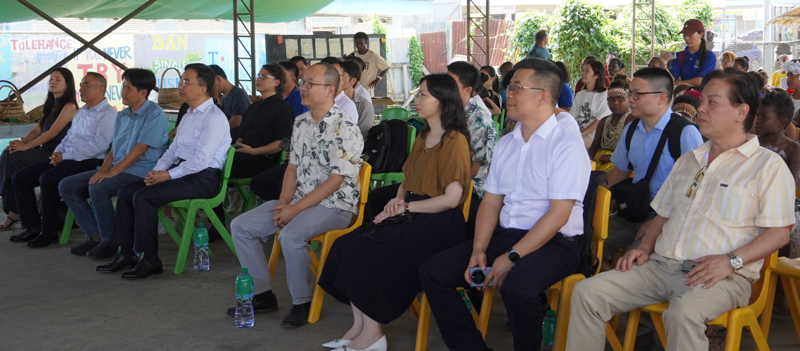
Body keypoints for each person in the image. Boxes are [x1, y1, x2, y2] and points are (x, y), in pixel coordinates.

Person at [567, 68, 796, 351]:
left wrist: (730, 261)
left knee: (684, 313)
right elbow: (664, 211)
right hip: (660, 266)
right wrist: (645, 246)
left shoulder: (766, 166)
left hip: (720, 275)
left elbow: (780, 233)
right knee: (587, 292)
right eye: (703, 102)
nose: (701, 108)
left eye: (712, 102)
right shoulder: (691, 159)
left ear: (741, 112)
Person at [419, 58, 591, 351]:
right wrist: (479, 249)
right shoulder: (507, 143)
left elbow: (559, 214)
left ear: (543, 96)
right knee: (433, 271)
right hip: (508, 235)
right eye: (509, 87)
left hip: (556, 242)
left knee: (518, 287)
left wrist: (511, 256)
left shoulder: (565, 143)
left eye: (516, 88)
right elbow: (491, 202)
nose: (507, 94)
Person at [318, 73, 472, 351]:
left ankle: (373, 333)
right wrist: (396, 202)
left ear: (444, 100)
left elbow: (451, 199)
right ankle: (360, 326)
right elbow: (408, 181)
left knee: (371, 251)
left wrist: (406, 206)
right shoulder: (423, 136)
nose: (418, 99)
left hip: (439, 224)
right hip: (414, 213)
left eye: (425, 94)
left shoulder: (454, 140)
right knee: (348, 244)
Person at [225, 62, 363, 328]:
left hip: (335, 206)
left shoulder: (346, 128)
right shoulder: (300, 122)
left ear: (330, 90)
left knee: (291, 235)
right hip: (300, 200)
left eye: (311, 84)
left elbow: (336, 182)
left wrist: (294, 209)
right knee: (241, 225)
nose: (303, 88)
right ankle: (263, 294)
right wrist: (284, 203)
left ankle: (302, 301)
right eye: (302, 82)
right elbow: (292, 167)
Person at [97, 65, 232, 279]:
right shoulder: (188, 113)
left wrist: (167, 175)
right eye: (181, 81)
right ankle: (126, 253)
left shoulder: (214, 117)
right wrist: (156, 171)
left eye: (186, 82)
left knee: (144, 197)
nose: (180, 86)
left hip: (202, 179)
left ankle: (150, 258)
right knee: (126, 192)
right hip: (182, 172)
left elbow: (202, 160)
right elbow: (172, 150)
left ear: (202, 89)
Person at [60, 69, 169, 258]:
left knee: (99, 188)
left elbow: (140, 149)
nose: (123, 92)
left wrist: (111, 173)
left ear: (143, 93)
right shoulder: (123, 115)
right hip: (119, 169)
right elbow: (113, 149)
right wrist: (102, 170)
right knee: (67, 185)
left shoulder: (155, 114)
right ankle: (97, 236)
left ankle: (110, 241)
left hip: (141, 172)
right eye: (123, 87)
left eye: (128, 88)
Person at [601, 67, 704, 268]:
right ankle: (602, 272)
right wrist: (591, 199)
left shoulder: (685, 133)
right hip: (633, 210)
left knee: (632, 261)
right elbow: (619, 172)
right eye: (630, 93)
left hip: (671, 216)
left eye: (637, 94)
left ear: (661, 98)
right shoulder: (631, 130)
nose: (630, 99)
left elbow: (696, 190)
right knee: (584, 238)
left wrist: (661, 221)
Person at [8, 72, 115, 247]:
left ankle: (48, 232)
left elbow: (99, 147)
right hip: (66, 158)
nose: (81, 89)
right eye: (80, 85)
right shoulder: (82, 112)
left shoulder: (107, 114)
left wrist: (64, 157)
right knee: (19, 179)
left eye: (86, 85)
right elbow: (68, 137)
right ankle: (33, 227)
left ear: (100, 88)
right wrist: (57, 153)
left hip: (88, 161)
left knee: (47, 180)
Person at [1, 68, 75, 233]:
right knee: (9, 153)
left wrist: (26, 146)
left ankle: (15, 212)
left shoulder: (69, 106)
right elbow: (37, 130)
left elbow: (52, 132)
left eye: (57, 79)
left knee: (13, 159)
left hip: (56, 154)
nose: (52, 82)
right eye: (51, 79)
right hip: (44, 150)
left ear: (67, 85)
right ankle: (15, 210)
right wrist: (19, 143)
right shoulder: (51, 105)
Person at [447, 61, 497, 239]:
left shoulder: (478, 118)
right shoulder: (453, 111)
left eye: (451, 84)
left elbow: (475, 170)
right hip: (450, 181)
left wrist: (439, 183)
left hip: (472, 190)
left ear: (468, 90)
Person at [587, 74, 636, 173]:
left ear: (629, 99)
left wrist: (612, 158)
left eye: (620, 98)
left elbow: (634, 151)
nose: (616, 103)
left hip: (619, 163)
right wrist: (589, 159)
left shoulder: (632, 120)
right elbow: (594, 146)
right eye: (611, 99)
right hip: (599, 160)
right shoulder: (604, 121)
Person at [662, 19, 717, 85]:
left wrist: (679, 83)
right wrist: (664, 64)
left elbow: (701, 80)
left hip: (702, 94)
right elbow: (672, 79)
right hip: (684, 94)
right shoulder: (679, 55)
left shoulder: (709, 56)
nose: (686, 38)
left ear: (700, 35)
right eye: (684, 35)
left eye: (690, 35)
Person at [573, 60, 612, 148]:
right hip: (578, 132)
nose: (583, 73)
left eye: (587, 70)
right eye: (583, 70)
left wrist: (582, 133)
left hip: (594, 134)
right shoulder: (579, 94)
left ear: (596, 75)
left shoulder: (604, 95)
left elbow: (600, 120)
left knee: (574, 144)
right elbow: (572, 117)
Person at [208, 64, 250, 130]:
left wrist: (215, 131)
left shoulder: (238, 94)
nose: (209, 88)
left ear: (218, 79)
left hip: (235, 139)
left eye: (210, 84)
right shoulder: (222, 98)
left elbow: (235, 122)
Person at [320, 57, 359, 125]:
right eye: (326, 75)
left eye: (335, 75)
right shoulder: (315, 101)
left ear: (343, 79)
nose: (330, 79)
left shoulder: (347, 106)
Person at [342, 59, 376, 137]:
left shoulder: (364, 104)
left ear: (353, 81)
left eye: (342, 77)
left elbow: (363, 135)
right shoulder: (331, 100)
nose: (337, 79)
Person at [350, 32, 390, 97]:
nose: (359, 45)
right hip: (353, 91)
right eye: (357, 43)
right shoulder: (353, 55)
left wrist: (378, 79)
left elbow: (386, 67)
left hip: (367, 91)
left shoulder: (373, 56)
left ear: (366, 42)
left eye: (361, 43)